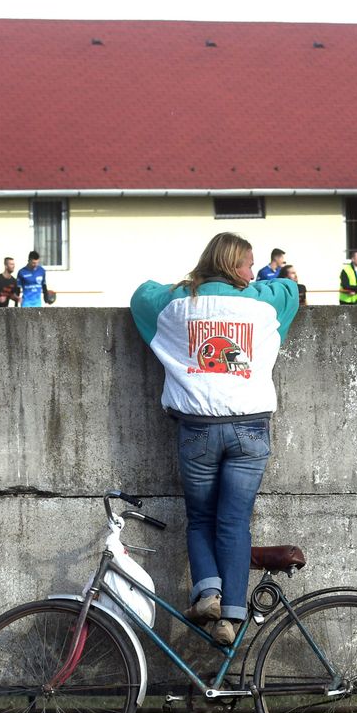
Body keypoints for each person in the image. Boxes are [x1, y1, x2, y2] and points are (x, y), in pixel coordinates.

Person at [130, 232, 300, 646]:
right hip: (250, 428)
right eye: (247, 265)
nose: (251, 273)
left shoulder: (177, 304)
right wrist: (256, 284)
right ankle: (232, 616)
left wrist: (195, 286)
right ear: (233, 266)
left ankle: (208, 593)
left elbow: (141, 294)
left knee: (202, 518)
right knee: (235, 522)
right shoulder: (261, 301)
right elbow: (289, 288)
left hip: (197, 428)